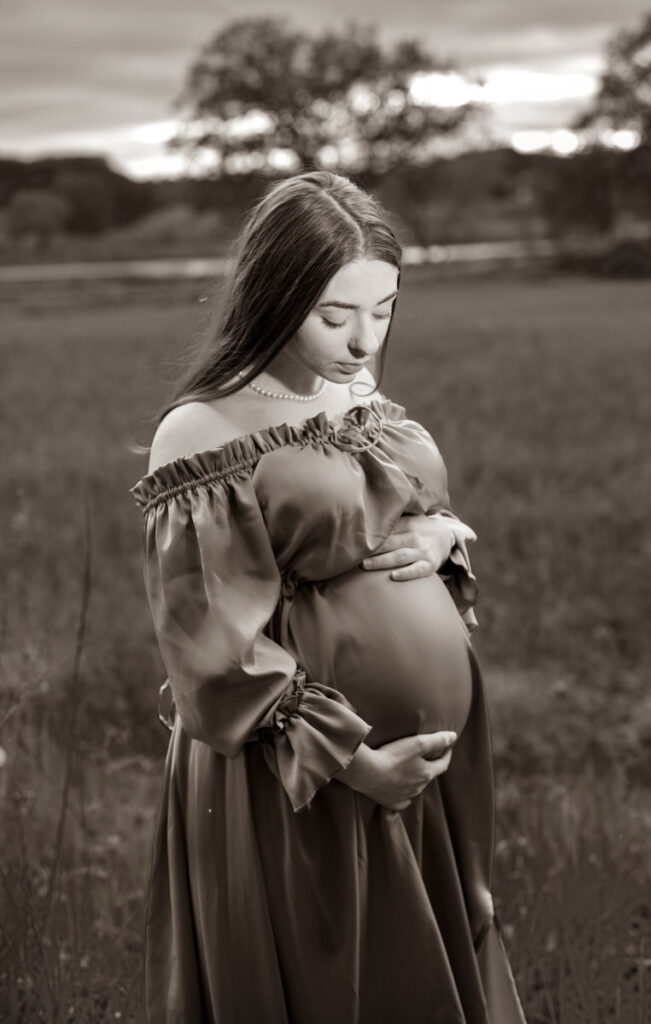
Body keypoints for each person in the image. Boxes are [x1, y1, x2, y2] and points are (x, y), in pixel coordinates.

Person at [130, 170, 526, 1024]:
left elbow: (392, 516)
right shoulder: (202, 430)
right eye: (335, 316)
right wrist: (356, 764)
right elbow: (209, 646)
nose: (363, 342)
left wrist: (444, 535)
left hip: (419, 765)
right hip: (296, 774)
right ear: (275, 296)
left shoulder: (358, 397)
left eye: (382, 311)